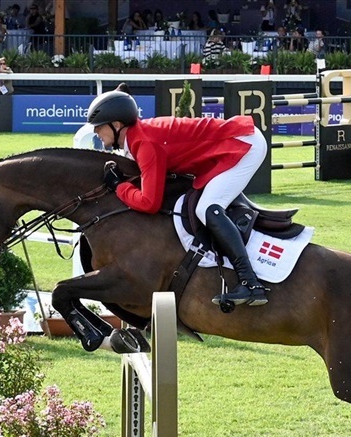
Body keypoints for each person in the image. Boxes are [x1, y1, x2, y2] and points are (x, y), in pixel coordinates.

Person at [86, 89, 269, 308]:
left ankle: (250, 283)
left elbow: (149, 203)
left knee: (207, 208)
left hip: (243, 145)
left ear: (116, 125)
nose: (96, 131)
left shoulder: (145, 143)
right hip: (233, 142)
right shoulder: (138, 138)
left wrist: (119, 187)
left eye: (99, 126)